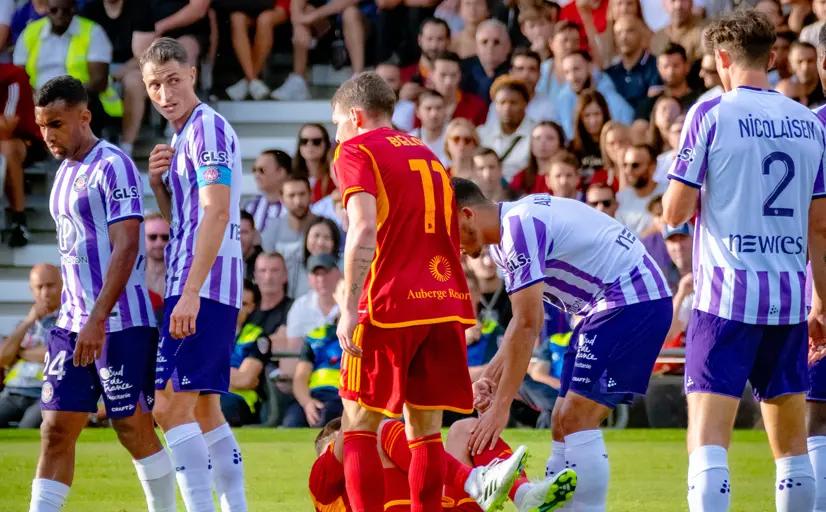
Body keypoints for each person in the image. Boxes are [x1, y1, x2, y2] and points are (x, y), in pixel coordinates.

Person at [331, 72, 521, 512]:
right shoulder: (429, 154)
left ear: (356, 117)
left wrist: (348, 306)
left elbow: (362, 228)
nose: (338, 132)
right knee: (425, 433)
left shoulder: (355, 149)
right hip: (443, 302)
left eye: (339, 122)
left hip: (389, 303)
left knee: (358, 424)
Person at [662, 11, 826, 512]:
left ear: (722, 59)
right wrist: (822, 302)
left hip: (725, 297)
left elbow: (675, 210)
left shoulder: (709, 114)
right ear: (772, 58)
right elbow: (819, 225)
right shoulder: (808, 122)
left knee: (709, 437)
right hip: (788, 299)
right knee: (792, 448)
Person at [454, 177, 672, 511]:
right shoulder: (504, 240)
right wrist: (492, 379)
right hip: (603, 307)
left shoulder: (518, 228)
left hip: (630, 299)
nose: (449, 244)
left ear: (467, 214)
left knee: (575, 417)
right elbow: (519, 323)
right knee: (560, 420)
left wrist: (501, 406)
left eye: (447, 231)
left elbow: (529, 324)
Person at [30, 75, 173, 512]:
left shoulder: (113, 165)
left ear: (84, 116)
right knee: (55, 428)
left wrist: (97, 319)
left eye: (56, 124)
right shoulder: (65, 172)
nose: (48, 135)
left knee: (132, 429)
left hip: (119, 325)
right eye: (41, 126)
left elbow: (127, 246)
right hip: (70, 326)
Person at [142, 38, 246, 512]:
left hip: (202, 288)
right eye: (154, 85)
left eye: (173, 80)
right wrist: (159, 186)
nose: (165, 93)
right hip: (201, 285)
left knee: (169, 408)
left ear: (193, 74)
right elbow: (186, 220)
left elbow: (217, 213)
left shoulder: (207, 130)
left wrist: (190, 292)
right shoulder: (185, 137)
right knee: (203, 409)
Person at [309, 416, 576, 512]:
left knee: (468, 429)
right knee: (375, 428)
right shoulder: (323, 488)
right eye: (334, 446)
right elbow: (356, 425)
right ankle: (475, 481)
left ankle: (524, 494)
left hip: (447, 507)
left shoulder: (386, 458)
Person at [13, 0, 118, 136]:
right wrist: (37, 96)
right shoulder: (30, 33)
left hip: (79, 97)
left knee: (83, 107)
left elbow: (99, 81)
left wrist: (63, 98)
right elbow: (18, 76)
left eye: (66, 10)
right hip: (37, 98)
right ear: (46, 9)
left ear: (74, 9)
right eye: (54, 10)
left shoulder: (92, 31)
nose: (60, 15)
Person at [283, 254, 343, 427]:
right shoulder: (315, 336)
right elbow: (301, 376)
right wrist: (307, 402)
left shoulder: (360, 336)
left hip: (344, 398)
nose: (321, 279)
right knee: (291, 423)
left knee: (327, 417)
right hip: (315, 395)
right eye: (316, 274)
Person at [80, 0, 147, 156]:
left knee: (134, 82)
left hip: (131, 66)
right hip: (95, 66)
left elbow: (143, 55)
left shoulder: (140, 8)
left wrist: (115, 73)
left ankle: (126, 146)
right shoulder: (89, 10)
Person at [0, 263, 60, 428]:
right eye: (39, 287)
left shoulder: (69, 321)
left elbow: (55, 355)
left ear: (62, 285)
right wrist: (28, 321)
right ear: (31, 290)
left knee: (27, 427)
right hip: (13, 394)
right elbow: (3, 358)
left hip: (47, 394)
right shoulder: (24, 325)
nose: (45, 293)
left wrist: (20, 352)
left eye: (50, 286)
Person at [271, 0, 368, 100]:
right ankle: (298, 81)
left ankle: (358, 81)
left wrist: (312, 16)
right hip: (327, 25)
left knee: (350, 13)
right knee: (305, 10)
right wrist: (297, 25)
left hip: (363, 22)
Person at [0, 63, 43, 248]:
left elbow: (6, 129)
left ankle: (19, 220)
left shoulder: (13, 76)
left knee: (7, 148)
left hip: (26, 139)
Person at [558, 49, 633, 139]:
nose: (572, 77)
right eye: (567, 72)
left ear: (590, 67)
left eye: (576, 69)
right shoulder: (563, 99)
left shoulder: (612, 100)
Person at [222, 279, 267, 426]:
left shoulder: (257, 336)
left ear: (252, 308)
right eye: (233, 301)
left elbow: (245, 380)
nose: (237, 308)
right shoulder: (207, 333)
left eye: (244, 304)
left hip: (240, 401)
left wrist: (207, 373)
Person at [224, 1, 288, 101]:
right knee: (237, 18)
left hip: (278, 6)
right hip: (249, 6)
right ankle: (252, 80)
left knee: (264, 19)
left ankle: (248, 81)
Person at [478, 75, 535, 181]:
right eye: (502, 102)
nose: (507, 108)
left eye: (513, 103)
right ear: (494, 105)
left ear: (525, 104)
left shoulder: (537, 135)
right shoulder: (482, 134)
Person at [485, 48, 557, 129]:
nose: (525, 75)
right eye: (520, 69)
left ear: (540, 74)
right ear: (511, 73)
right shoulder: (498, 104)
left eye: (532, 69)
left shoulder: (548, 106)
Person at [605, 15, 662, 111]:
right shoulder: (610, 73)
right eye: (618, 33)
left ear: (641, 34)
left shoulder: (656, 66)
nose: (624, 37)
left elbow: (652, 106)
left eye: (630, 31)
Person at [133, 0, 210, 70]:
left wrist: (157, 29)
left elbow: (198, 10)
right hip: (153, 39)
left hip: (190, 34)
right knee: (132, 79)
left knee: (183, 54)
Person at [636, 43, 701, 120]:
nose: (670, 72)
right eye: (665, 66)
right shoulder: (650, 104)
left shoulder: (700, 99)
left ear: (687, 66)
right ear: (658, 68)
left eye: (676, 66)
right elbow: (638, 128)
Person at [616, 143, 666, 237]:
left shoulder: (667, 194)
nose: (628, 171)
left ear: (652, 167)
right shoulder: (620, 198)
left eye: (635, 165)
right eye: (625, 165)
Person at [261, 174, 318, 255]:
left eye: (302, 194)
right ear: (282, 198)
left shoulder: (325, 227)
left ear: (311, 194)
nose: (298, 202)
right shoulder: (272, 229)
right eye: (291, 195)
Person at [460, 19, 512, 104]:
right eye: (484, 42)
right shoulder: (463, 69)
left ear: (508, 46)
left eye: (496, 42)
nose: (490, 47)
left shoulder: (516, 69)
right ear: (476, 47)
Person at [431, 51, 488, 126]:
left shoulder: (477, 105)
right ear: (432, 75)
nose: (448, 82)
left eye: (453, 75)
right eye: (443, 75)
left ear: (460, 76)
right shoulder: (422, 106)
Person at [509, 121, 565, 196]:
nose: (543, 142)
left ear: (560, 144)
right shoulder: (521, 177)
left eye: (550, 138)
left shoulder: (567, 176)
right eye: (537, 138)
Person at [243, 149, 291, 235]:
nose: (256, 175)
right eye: (254, 170)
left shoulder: (297, 206)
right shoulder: (250, 206)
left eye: (262, 170)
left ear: (281, 172)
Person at [400, 17, 451, 86]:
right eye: (429, 39)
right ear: (419, 40)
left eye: (440, 39)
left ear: (448, 41)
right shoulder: (403, 76)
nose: (434, 46)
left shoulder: (458, 77)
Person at [570, 89, 610, 176]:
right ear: (580, 118)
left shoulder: (613, 143)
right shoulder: (572, 147)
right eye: (587, 115)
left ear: (604, 114)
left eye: (597, 114)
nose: (593, 121)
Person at [294, 123, 336, 203]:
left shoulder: (334, 177)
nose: (309, 144)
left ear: (326, 144)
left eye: (316, 141)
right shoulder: (290, 175)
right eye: (304, 141)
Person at [778, 41, 826, 108]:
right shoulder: (783, 92)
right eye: (799, 62)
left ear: (818, 62)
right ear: (790, 64)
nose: (805, 67)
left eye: (810, 61)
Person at [409, 89, 449, 164]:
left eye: (438, 108)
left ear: (445, 110)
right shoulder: (409, 141)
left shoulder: (456, 138)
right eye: (428, 108)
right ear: (417, 111)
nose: (434, 114)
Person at [144, 211, 170, 316]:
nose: (159, 243)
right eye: (152, 237)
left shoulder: (183, 277)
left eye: (165, 237)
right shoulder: (130, 277)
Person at [240, 211, 263, 281]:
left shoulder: (264, 265)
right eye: (235, 232)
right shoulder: (225, 263)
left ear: (254, 234)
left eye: (244, 232)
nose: (239, 237)